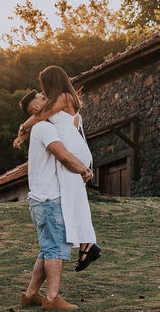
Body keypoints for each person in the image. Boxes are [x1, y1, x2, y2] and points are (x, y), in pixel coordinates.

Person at [15, 66, 102, 272]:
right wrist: (23, 135)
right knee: (73, 200)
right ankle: (86, 244)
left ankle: (87, 243)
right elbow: (40, 119)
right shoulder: (62, 101)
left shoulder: (63, 97)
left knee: (69, 201)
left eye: (44, 87)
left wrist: (21, 129)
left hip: (71, 150)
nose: (44, 92)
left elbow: (37, 118)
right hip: (75, 149)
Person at [18, 89, 93, 311]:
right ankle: (52, 298)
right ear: (36, 108)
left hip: (41, 199)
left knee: (47, 248)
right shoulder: (44, 127)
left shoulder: (42, 127)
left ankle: (31, 294)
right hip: (49, 199)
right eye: (43, 99)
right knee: (57, 248)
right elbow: (64, 155)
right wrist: (84, 170)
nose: (48, 100)